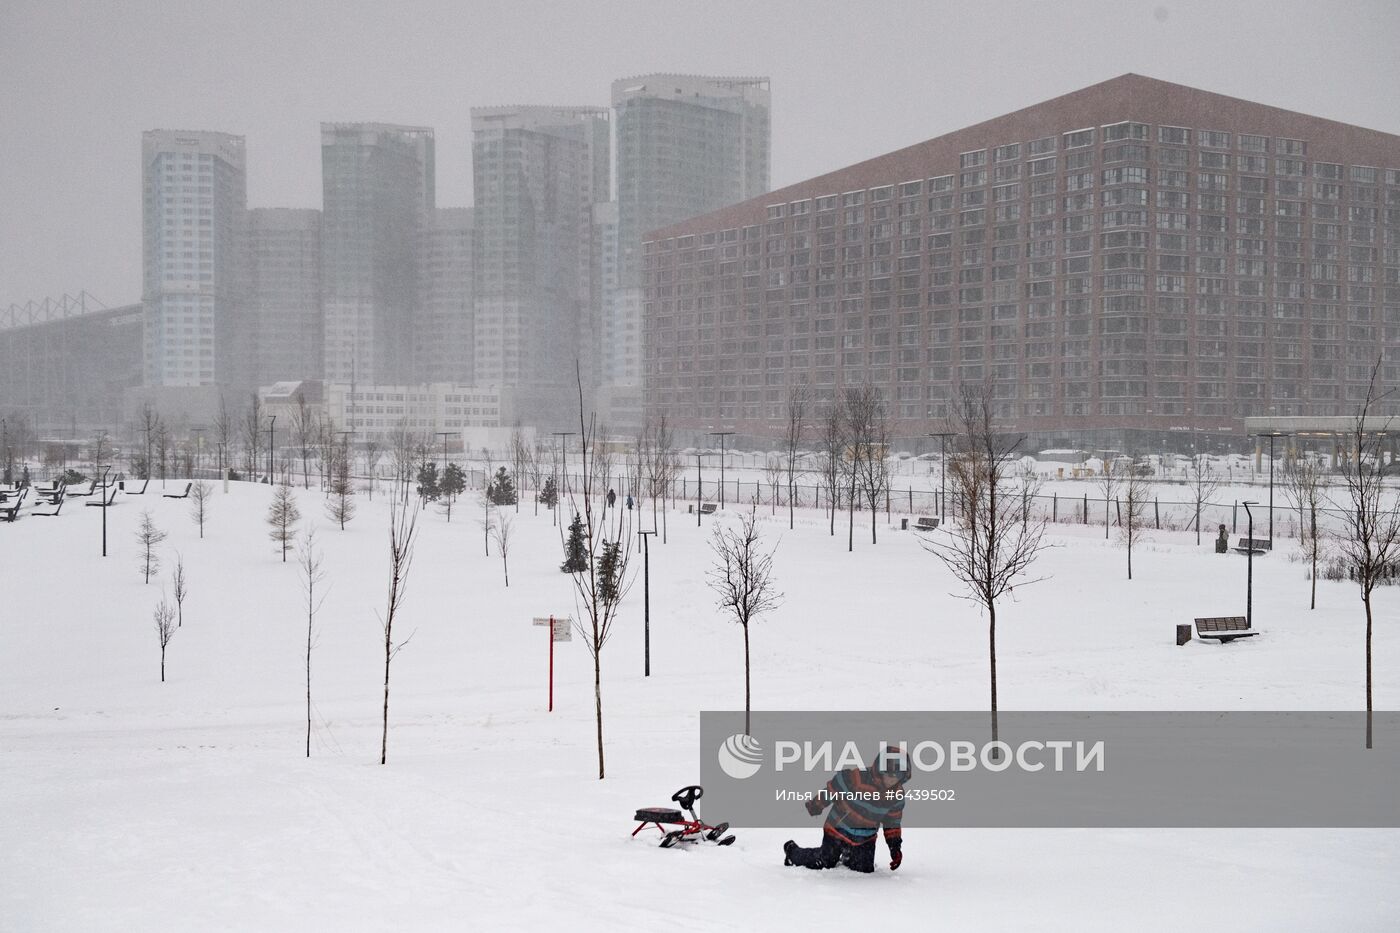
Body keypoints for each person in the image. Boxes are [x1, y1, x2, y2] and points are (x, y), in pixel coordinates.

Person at [783, 745, 908, 873]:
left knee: (864, 870)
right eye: (887, 772)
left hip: (865, 838)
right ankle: (792, 852)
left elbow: (892, 823)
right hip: (838, 830)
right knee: (825, 861)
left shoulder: (896, 796)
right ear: (879, 769)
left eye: (897, 774)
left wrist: (895, 848)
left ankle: (849, 857)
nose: (892, 778)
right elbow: (833, 789)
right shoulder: (857, 779)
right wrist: (816, 805)